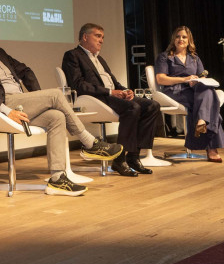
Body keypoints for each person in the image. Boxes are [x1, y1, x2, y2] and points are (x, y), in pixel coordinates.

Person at [0, 16, 123, 196]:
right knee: (55, 95)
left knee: (56, 117)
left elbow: (25, 70)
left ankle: (58, 178)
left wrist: (38, 97)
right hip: (2, 105)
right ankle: (90, 143)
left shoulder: (1, 53)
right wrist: (6, 111)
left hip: (21, 102)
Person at [62, 23, 161, 177]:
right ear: (85, 37)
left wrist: (125, 91)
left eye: (102, 37)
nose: (101, 40)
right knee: (133, 108)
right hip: (95, 97)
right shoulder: (72, 55)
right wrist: (110, 92)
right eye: (97, 36)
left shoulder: (100, 59)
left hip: (112, 95)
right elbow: (78, 84)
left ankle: (133, 157)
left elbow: (113, 82)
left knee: (152, 106)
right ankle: (119, 160)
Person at [155, 26, 224, 162]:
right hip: (174, 91)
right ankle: (211, 148)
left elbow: (201, 77)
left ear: (189, 41)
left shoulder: (194, 58)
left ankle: (202, 121)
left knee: (207, 90)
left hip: (193, 91)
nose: (180, 39)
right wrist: (185, 79)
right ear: (173, 39)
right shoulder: (165, 57)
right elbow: (161, 79)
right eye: (177, 36)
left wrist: (197, 80)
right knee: (211, 104)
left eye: (184, 37)